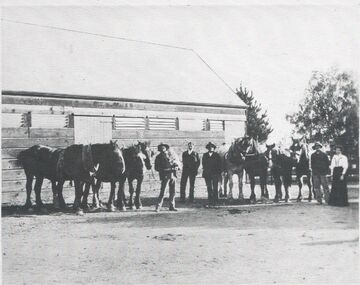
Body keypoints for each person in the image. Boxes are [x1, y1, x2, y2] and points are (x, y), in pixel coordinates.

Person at [154, 143, 180, 212]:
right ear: (160, 149)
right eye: (161, 148)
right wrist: (164, 169)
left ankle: (172, 206)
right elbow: (156, 167)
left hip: (173, 175)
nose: (163, 149)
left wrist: (177, 166)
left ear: (166, 148)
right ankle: (158, 207)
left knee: (173, 191)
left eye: (164, 147)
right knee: (163, 191)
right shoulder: (158, 157)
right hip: (165, 175)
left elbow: (177, 162)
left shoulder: (171, 155)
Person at [202, 142, 222, 206]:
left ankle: (215, 200)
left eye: (212, 147)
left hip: (215, 173)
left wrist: (219, 172)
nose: (211, 148)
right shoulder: (205, 155)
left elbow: (219, 164)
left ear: (214, 148)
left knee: (215, 187)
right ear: (208, 148)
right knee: (209, 187)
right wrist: (207, 170)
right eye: (210, 147)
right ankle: (210, 200)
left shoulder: (217, 155)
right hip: (207, 174)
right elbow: (203, 164)